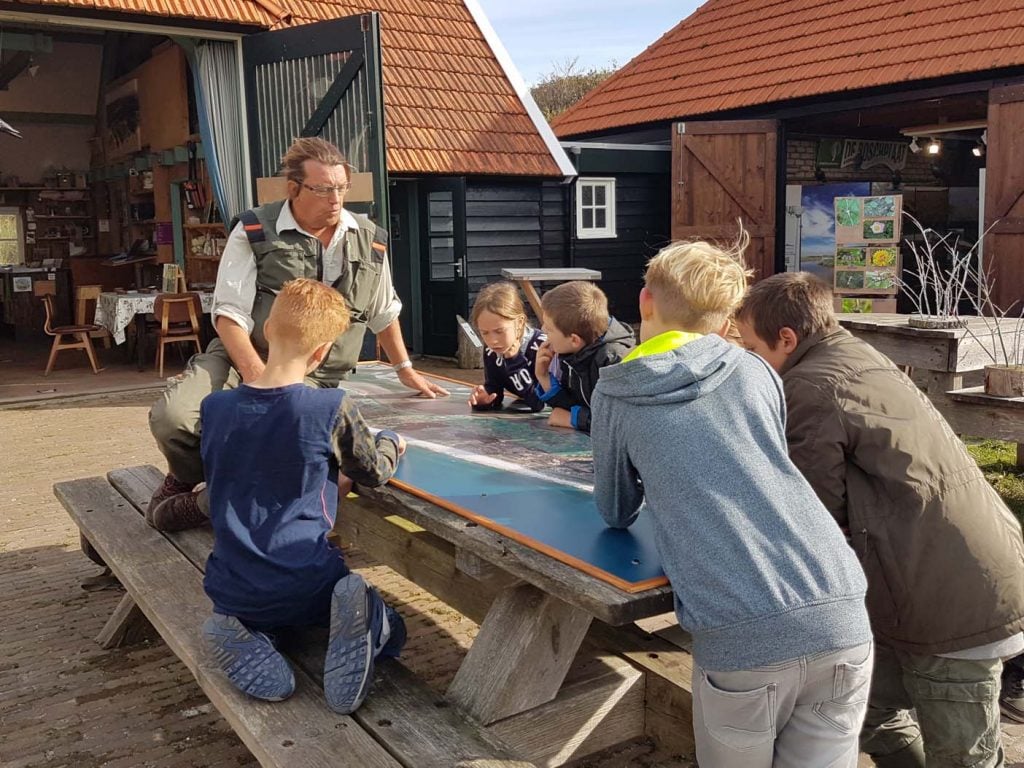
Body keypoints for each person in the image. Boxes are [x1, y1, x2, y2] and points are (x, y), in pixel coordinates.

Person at [591, 239, 873, 768]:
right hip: (840, 606)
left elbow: (614, 508)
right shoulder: (756, 369)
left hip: (742, 628)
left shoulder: (618, 391)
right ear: (726, 318)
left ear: (645, 299)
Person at [735, 272, 1024, 768]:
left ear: (786, 339)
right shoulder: (858, 355)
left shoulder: (809, 386)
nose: (747, 360)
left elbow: (810, 513)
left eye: (750, 347)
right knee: (866, 711)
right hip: (944, 573)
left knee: (961, 757)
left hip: (951, 601)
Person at [147, 137, 446, 529]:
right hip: (245, 358)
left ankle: (218, 504)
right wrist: (260, 381)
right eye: (323, 189)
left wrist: (404, 367)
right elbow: (228, 315)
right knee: (173, 418)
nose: (336, 199)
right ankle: (187, 479)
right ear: (294, 189)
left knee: (301, 446)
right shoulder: (253, 229)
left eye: (341, 188)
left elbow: (383, 309)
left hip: (321, 374)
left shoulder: (371, 238)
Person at [200, 278, 406, 714]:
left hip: (232, 586)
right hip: (308, 581)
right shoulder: (329, 406)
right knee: (392, 626)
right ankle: (372, 622)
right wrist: (389, 441)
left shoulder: (214, 410)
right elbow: (372, 472)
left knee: (271, 615)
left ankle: (251, 632)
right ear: (321, 354)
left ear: (266, 328)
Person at [533, 280, 633, 431]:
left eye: (549, 328)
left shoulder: (614, 363)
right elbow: (572, 405)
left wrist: (574, 420)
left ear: (574, 339)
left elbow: (620, 423)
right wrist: (544, 378)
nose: (543, 330)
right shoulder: (574, 353)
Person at [467, 281, 546, 412]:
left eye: (499, 331)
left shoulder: (542, 348)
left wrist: (514, 360)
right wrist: (484, 399)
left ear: (520, 322)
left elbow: (538, 403)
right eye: (484, 332)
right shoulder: (491, 350)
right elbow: (495, 388)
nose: (493, 341)